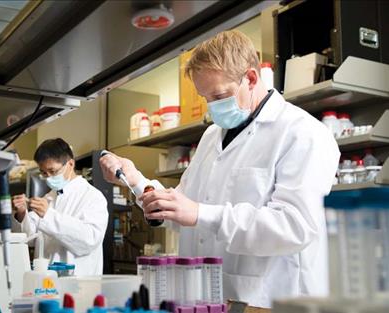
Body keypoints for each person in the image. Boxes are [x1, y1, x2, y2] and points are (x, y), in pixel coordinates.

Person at [100, 30, 340, 307]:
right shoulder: (212, 136)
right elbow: (182, 206)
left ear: (250, 78)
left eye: (219, 95)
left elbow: (295, 227)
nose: (213, 107)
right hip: (208, 296)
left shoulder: (303, 133)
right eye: (206, 98)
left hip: (269, 300)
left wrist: (201, 214)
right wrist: (136, 180)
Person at [12, 138, 108, 275]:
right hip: (46, 283)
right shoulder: (49, 198)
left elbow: (89, 240)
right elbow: (29, 238)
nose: (49, 177)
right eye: (44, 173)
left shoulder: (93, 197)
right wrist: (22, 213)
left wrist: (48, 215)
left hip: (78, 285)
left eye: (53, 171)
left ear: (70, 164)